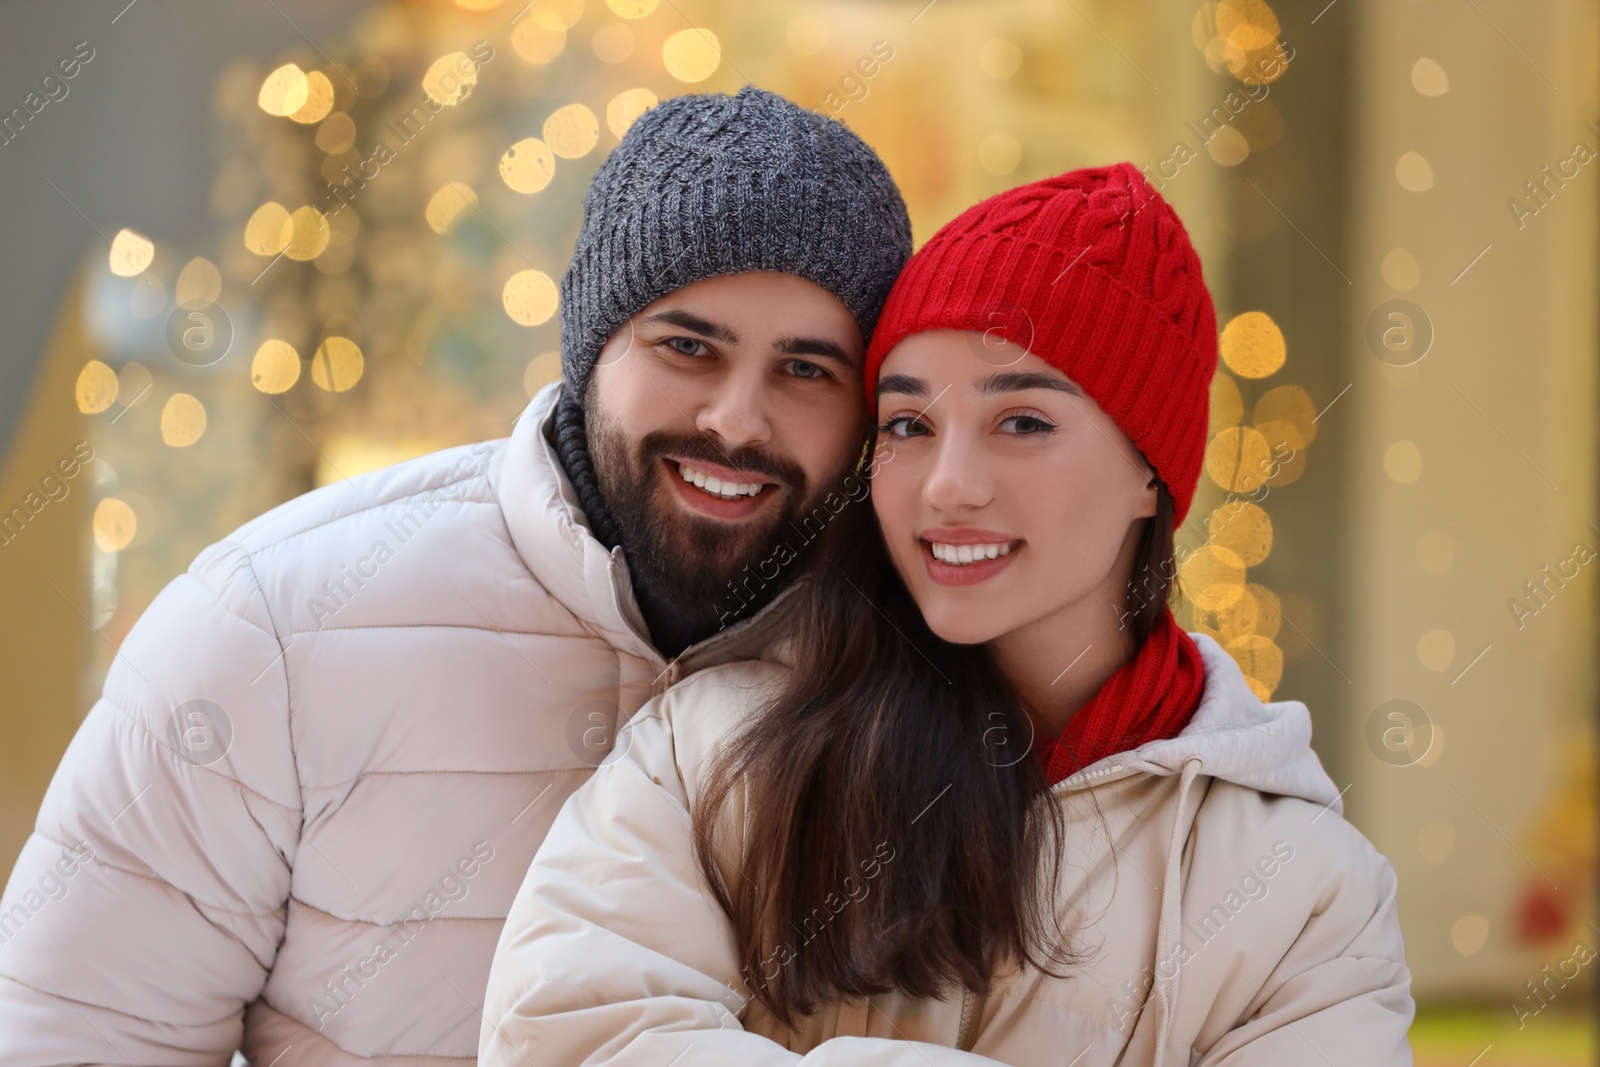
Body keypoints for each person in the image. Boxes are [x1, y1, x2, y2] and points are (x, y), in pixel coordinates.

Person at [0, 86, 910, 1064]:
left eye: (807, 369)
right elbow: (78, 1032)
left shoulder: (919, 671)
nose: (737, 419)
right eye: (687, 346)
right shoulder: (274, 628)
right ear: (592, 340)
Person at [480, 163, 1416, 1066]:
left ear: (1149, 471)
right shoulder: (718, 751)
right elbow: (572, 1035)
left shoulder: (1302, 887)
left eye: (1023, 423)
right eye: (908, 424)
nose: (950, 486)